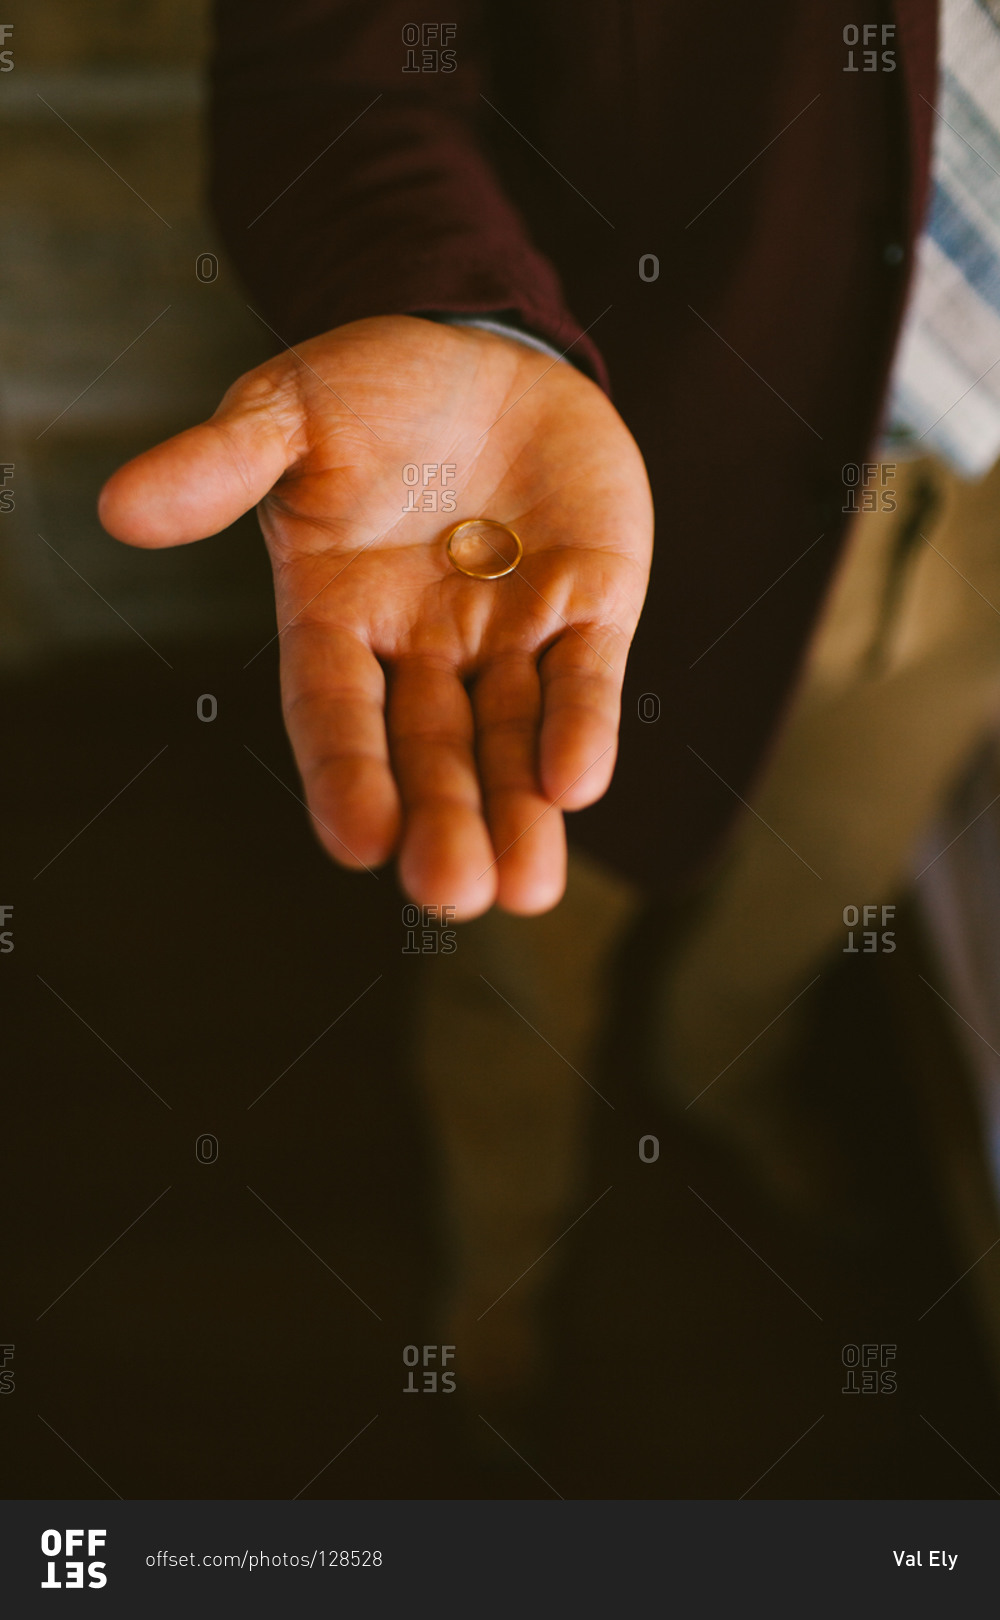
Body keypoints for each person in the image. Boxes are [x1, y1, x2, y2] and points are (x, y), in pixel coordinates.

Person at [100, 2, 1000, 1405]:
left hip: (974, 557)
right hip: (633, 475)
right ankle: (501, 1263)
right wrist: (450, 304)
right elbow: (333, 61)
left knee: (811, 903)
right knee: (515, 954)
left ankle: (722, 1083)